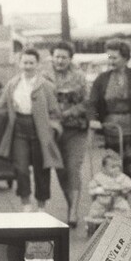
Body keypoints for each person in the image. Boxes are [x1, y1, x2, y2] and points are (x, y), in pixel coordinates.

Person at [87, 40, 131, 223]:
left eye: (115, 57)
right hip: (112, 132)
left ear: (125, 57)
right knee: (114, 172)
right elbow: (92, 103)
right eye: (109, 57)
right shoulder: (102, 79)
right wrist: (94, 119)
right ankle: (118, 210)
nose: (111, 61)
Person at [0, 48, 64, 211]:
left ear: (38, 64)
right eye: (25, 62)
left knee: (42, 168)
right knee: (21, 168)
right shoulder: (12, 84)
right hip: (19, 129)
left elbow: (55, 111)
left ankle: (41, 205)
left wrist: (53, 129)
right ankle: (26, 203)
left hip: (41, 131)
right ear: (19, 64)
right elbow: (2, 107)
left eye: (31, 63)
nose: (28, 66)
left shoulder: (46, 85)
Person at [46, 41, 89, 228]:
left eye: (64, 57)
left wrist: (69, 112)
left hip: (75, 129)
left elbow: (88, 101)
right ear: (52, 57)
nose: (60, 60)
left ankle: (73, 212)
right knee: (61, 171)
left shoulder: (79, 76)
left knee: (73, 167)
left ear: (70, 58)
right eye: (57, 56)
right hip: (54, 131)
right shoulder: (44, 75)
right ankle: (71, 205)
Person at [87, 150, 131, 221]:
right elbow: (91, 189)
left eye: (119, 167)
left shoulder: (122, 177)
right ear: (103, 168)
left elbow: (129, 185)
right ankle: (95, 219)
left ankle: (123, 218)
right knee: (96, 209)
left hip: (117, 201)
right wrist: (100, 190)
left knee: (124, 207)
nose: (117, 169)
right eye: (113, 167)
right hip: (102, 202)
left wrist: (120, 188)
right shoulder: (99, 177)